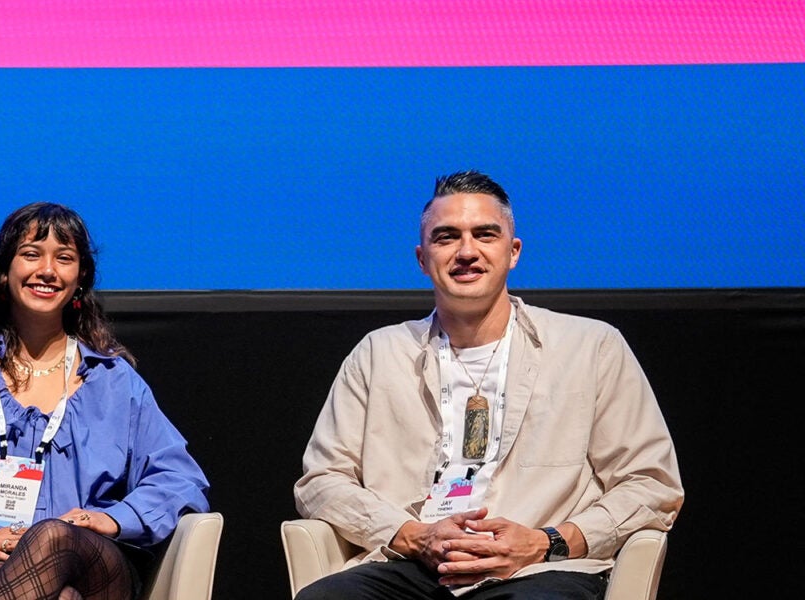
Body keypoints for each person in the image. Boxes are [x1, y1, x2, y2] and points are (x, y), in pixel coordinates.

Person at [292, 171, 684, 599]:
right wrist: (414, 536)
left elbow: (652, 483)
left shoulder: (591, 347)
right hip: (412, 566)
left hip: (537, 569)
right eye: (446, 237)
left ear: (512, 252)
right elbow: (322, 481)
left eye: (484, 234)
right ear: (422, 259)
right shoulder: (378, 353)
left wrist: (547, 540)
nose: (466, 251)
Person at [0, 202, 210, 600]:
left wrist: (111, 520)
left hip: (97, 566)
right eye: (31, 254)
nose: (47, 270)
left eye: (64, 258)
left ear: (80, 277)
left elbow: (181, 480)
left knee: (55, 537)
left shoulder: (115, 381)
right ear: (4, 268)